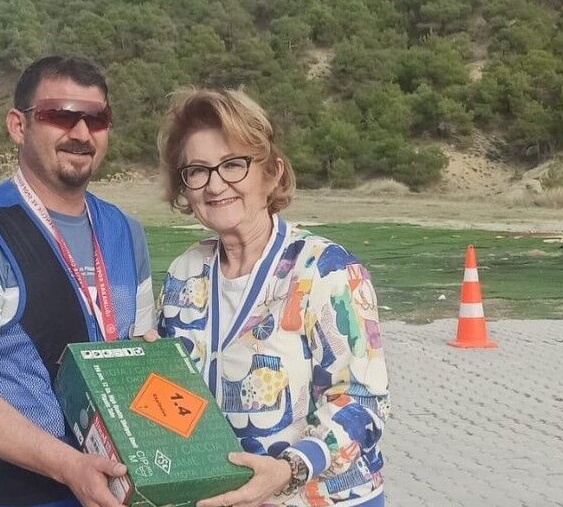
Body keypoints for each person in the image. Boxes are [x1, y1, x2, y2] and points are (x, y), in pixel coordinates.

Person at [0, 56, 154, 507]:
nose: (81, 133)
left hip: (115, 489)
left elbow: (140, 357)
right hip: (11, 493)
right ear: (18, 125)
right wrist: (70, 467)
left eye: (96, 119)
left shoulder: (126, 232)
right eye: (60, 115)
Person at [155, 88, 389, 507]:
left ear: (272, 173)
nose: (215, 185)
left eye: (233, 165)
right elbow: (174, 395)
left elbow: (363, 401)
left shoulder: (326, 270)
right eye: (197, 171)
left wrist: (289, 469)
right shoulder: (183, 272)